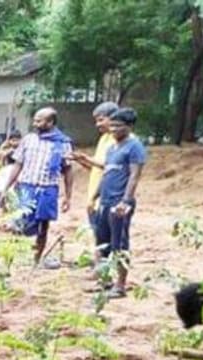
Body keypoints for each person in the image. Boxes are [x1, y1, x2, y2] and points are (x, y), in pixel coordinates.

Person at [3, 107, 74, 267]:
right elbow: (18, 165)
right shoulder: (28, 140)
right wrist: (6, 187)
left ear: (50, 122)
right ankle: (9, 261)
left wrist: (68, 196)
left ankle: (36, 260)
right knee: (18, 223)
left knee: (43, 226)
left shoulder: (63, 144)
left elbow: (68, 170)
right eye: (35, 120)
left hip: (48, 189)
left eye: (39, 121)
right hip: (26, 187)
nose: (35, 124)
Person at [89, 108, 146, 298]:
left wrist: (125, 201)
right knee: (102, 243)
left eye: (118, 126)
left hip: (119, 203)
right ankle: (105, 281)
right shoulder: (112, 148)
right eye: (112, 125)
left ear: (129, 126)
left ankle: (120, 285)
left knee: (119, 244)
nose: (113, 129)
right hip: (105, 201)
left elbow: (134, 176)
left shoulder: (134, 147)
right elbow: (107, 174)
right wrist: (95, 196)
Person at [71, 101, 118, 267]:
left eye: (101, 120)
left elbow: (110, 167)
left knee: (105, 236)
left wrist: (87, 158)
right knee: (98, 234)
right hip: (95, 196)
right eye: (96, 120)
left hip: (106, 196)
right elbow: (97, 168)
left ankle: (104, 268)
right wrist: (82, 160)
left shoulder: (118, 141)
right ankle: (100, 267)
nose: (97, 124)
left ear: (113, 118)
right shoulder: (104, 139)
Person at [0, 130, 22, 223]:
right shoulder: (7, 150)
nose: (15, 142)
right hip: (5, 174)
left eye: (17, 140)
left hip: (15, 175)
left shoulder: (21, 150)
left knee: (12, 197)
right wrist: (3, 146)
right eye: (13, 140)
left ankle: (12, 220)